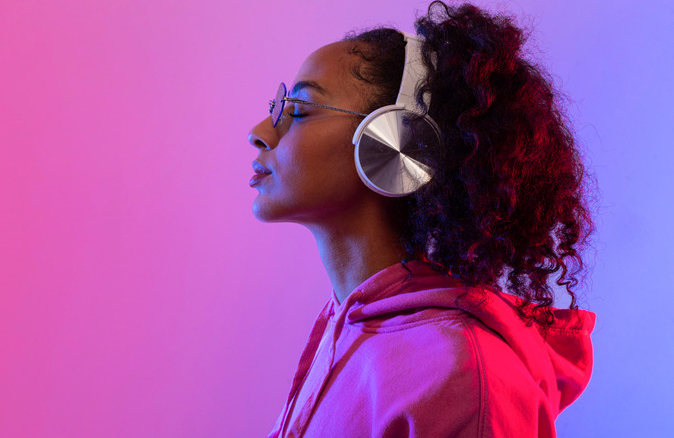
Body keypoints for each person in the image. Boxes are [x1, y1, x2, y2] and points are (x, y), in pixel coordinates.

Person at [247, 2, 595, 437]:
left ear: (395, 143)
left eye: (299, 109)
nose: (260, 130)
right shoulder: (348, 327)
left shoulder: (462, 374)